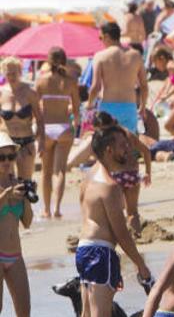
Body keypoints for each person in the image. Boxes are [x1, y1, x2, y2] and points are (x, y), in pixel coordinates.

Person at [75, 126, 152, 317]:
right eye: (122, 145)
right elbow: (121, 233)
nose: (128, 148)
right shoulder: (110, 186)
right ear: (109, 150)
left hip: (84, 248)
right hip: (101, 252)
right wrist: (141, 265)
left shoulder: (89, 178)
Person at [35, 48, 79, 219]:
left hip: (47, 127)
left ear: (48, 60)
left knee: (46, 172)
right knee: (60, 171)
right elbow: (76, 110)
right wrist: (75, 124)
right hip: (64, 127)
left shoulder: (41, 81)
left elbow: (35, 108)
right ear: (65, 60)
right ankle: (57, 209)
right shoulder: (71, 81)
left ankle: (46, 210)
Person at [0, 133, 32, 317]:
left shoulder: (17, 184)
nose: (6, 162)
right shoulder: (8, 189)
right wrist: (6, 196)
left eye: (10, 157)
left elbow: (27, 222)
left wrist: (26, 199)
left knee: (24, 311)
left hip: (15, 254)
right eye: (1, 157)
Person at [87, 22, 147, 136]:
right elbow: (144, 85)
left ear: (107, 36)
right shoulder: (136, 55)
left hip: (108, 107)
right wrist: (143, 106)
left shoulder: (100, 56)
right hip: (129, 106)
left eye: (100, 38)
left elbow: (96, 86)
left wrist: (89, 105)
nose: (101, 41)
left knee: (105, 142)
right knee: (128, 142)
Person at [0, 58, 40, 181]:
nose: (11, 76)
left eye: (14, 73)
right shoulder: (1, 93)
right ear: (3, 73)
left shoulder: (29, 92)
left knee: (26, 182)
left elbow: (40, 119)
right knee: (7, 181)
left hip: (26, 142)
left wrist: (41, 141)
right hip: (7, 143)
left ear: (20, 72)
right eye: (8, 73)